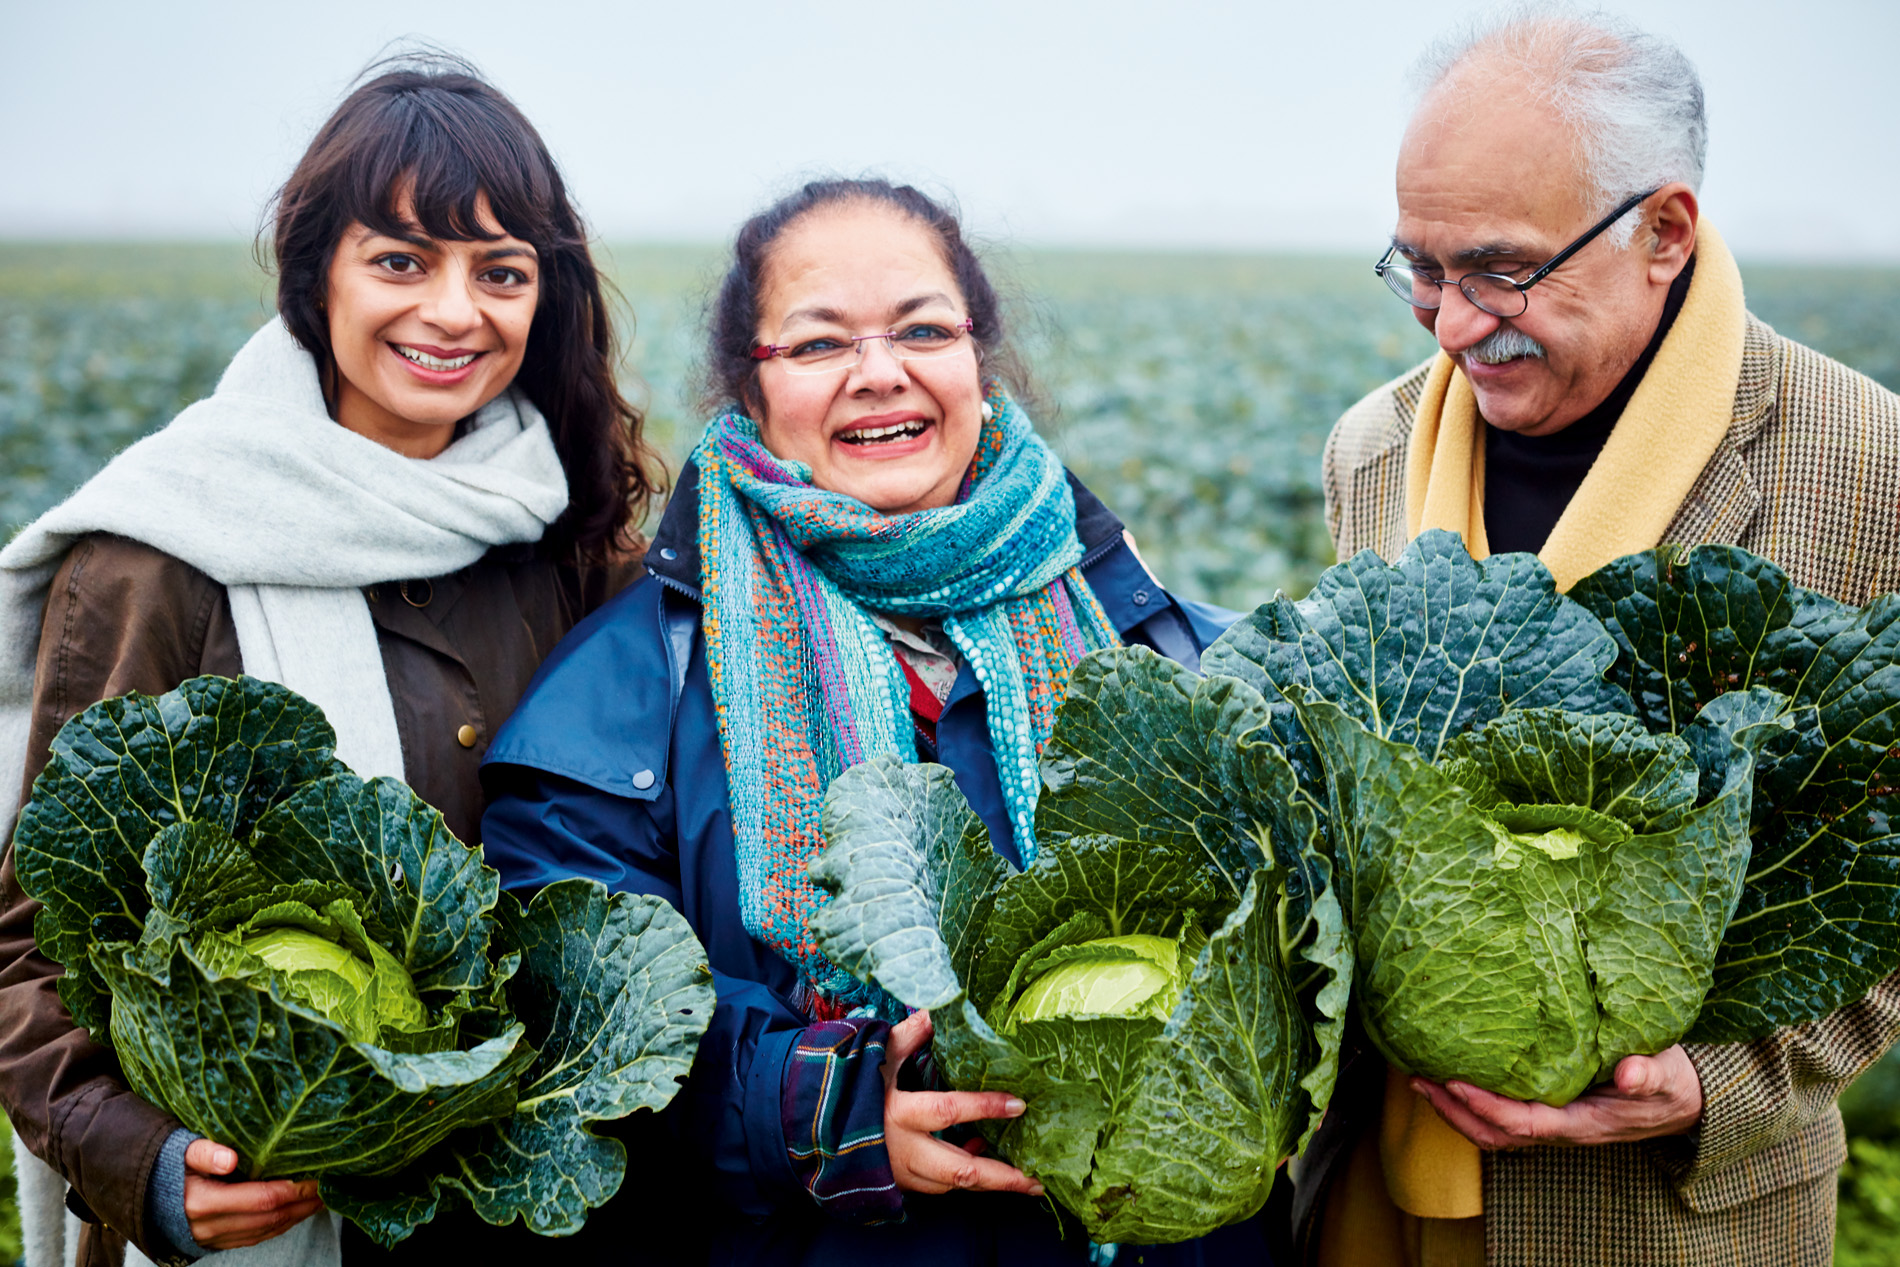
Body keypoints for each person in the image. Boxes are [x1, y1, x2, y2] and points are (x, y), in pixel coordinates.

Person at [477, 178, 1247, 1265]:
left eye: (924, 330)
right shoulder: (620, 697)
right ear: (748, 388)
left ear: (978, 357)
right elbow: (575, 1015)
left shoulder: (1148, 635)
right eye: (818, 343)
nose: (879, 373)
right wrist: (818, 1108)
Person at [0, 56, 662, 1267]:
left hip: (510, 1222)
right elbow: (32, 940)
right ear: (318, 273)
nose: (454, 312)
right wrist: (139, 1159)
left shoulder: (567, 540)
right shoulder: (161, 552)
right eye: (402, 260)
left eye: (500, 271)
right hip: (255, 1214)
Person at [1306, 6, 1900, 1266]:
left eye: (1501, 269)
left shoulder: (1864, 468)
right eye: (1418, 267)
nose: (1454, 322)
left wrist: (1717, 1078)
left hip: (1662, 1223)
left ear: (1662, 232)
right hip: (1370, 1192)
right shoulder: (1367, 449)